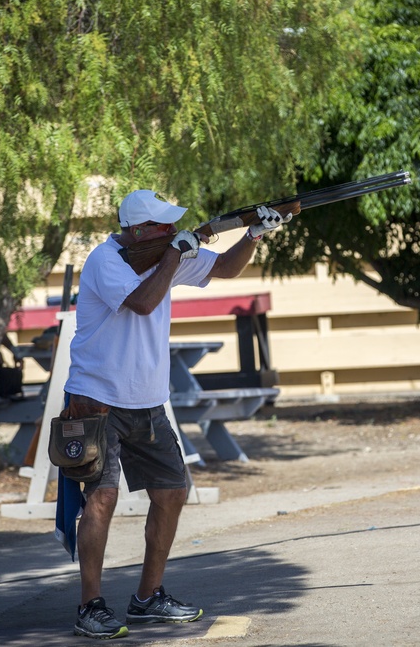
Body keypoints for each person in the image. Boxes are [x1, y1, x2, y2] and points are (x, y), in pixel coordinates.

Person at [62, 189, 290, 639]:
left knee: (172, 493)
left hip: (148, 398)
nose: (171, 231)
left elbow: (224, 267)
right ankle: (89, 606)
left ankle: (148, 598)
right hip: (97, 400)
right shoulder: (105, 261)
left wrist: (254, 235)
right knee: (101, 499)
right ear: (138, 232)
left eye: (172, 227)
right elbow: (143, 302)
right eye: (163, 227)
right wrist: (174, 254)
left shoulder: (164, 253)